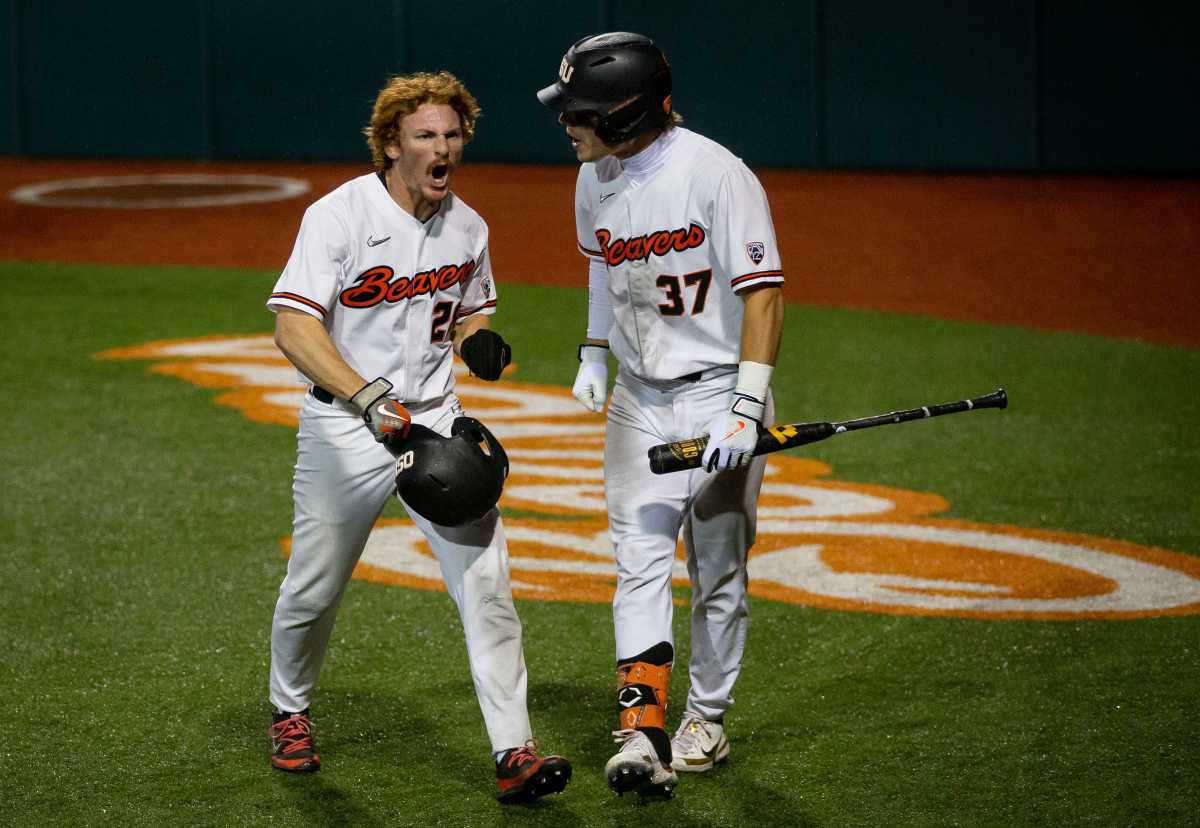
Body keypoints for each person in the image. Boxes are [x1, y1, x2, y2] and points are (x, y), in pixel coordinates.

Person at [265, 70, 570, 804]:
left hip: (435, 425)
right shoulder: (337, 218)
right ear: (392, 143)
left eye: (453, 134)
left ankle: (515, 752)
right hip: (347, 427)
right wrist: (366, 394)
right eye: (426, 135)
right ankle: (289, 709)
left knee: (488, 587)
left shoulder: (469, 227)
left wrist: (480, 342)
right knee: (316, 584)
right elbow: (293, 325)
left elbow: (469, 314)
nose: (443, 149)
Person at [537, 33, 785, 798]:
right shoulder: (594, 177)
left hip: (720, 394)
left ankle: (705, 717)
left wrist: (745, 408)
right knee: (638, 560)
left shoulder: (717, 174)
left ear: (626, 111)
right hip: (640, 399)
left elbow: (765, 293)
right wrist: (593, 351)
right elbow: (602, 268)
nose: (566, 124)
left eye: (578, 112)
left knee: (717, 570)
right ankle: (642, 729)